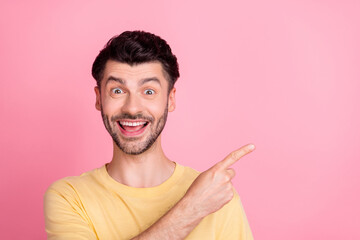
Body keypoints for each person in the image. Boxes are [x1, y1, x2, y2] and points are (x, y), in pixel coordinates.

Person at [44, 30, 255, 240]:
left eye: (149, 91)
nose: (133, 108)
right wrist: (192, 209)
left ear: (170, 100)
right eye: (117, 91)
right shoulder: (69, 197)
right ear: (99, 99)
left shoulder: (216, 194)